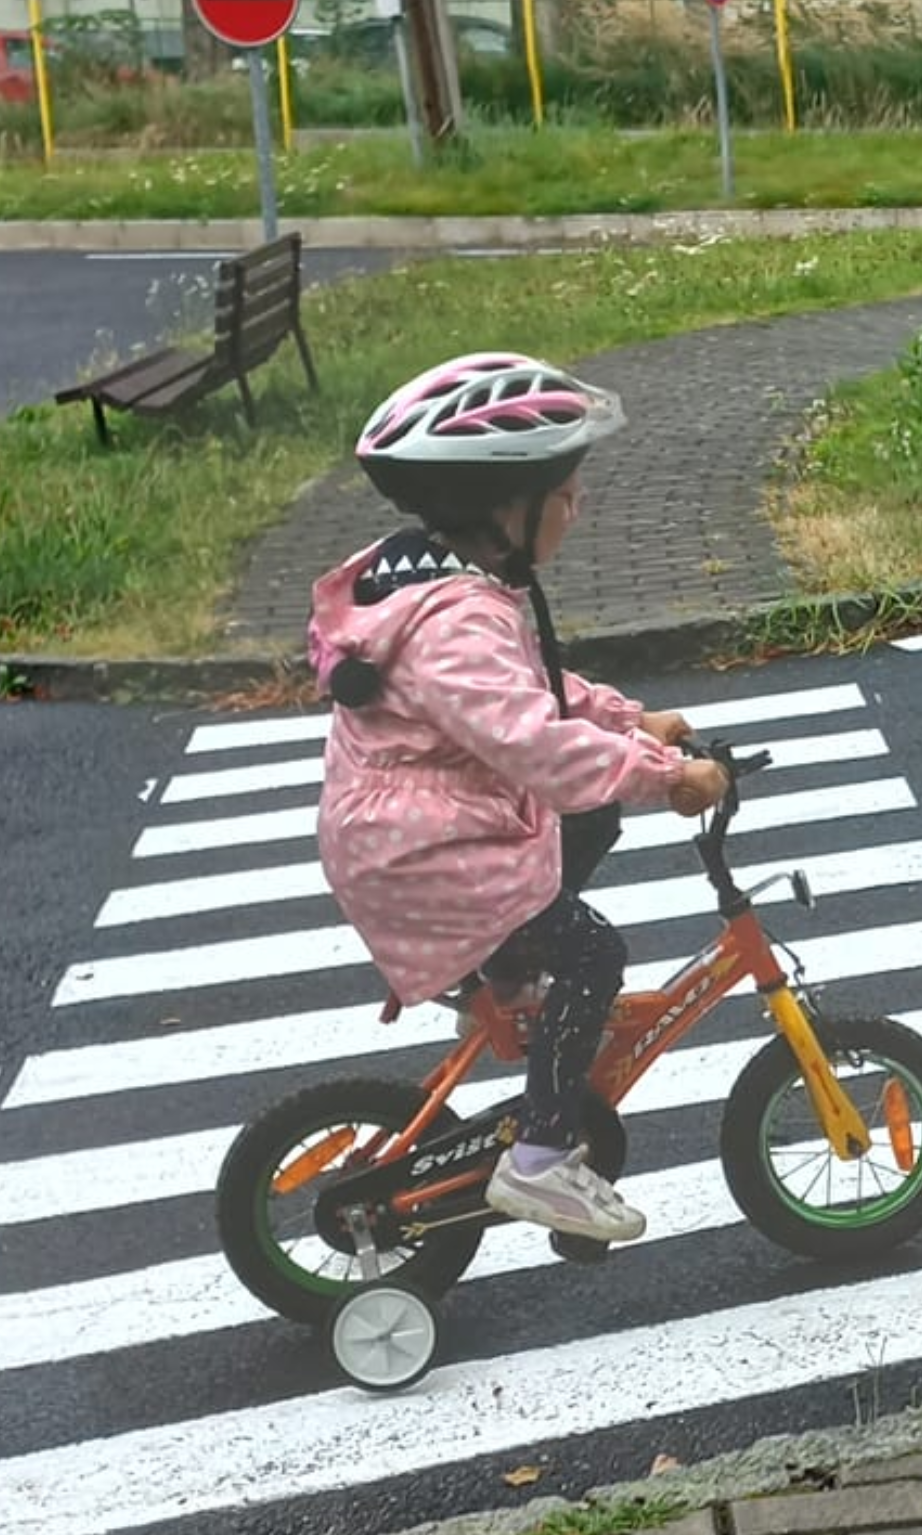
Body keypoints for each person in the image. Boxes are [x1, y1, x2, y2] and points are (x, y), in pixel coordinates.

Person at [306, 351, 729, 1246]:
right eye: (567, 492)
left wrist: (630, 718)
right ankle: (538, 1161)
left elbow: (527, 688)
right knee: (591, 954)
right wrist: (666, 776)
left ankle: (505, 980)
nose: (577, 508)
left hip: (423, 831)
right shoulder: (457, 621)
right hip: (424, 855)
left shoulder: (437, 580)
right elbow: (531, 741)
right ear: (506, 506)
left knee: (588, 822)